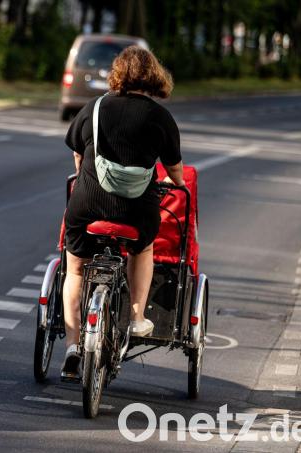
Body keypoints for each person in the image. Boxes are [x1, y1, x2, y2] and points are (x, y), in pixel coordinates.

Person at [60, 46, 185, 381]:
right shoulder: (159, 117)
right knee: (143, 248)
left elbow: (77, 156)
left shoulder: (95, 107)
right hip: (136, 209)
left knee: (74, 268)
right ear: (154, 76)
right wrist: (177, 180)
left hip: (87, 204)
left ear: (117, 73)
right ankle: (137, 317)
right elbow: (174, 171)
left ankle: (73, 346)